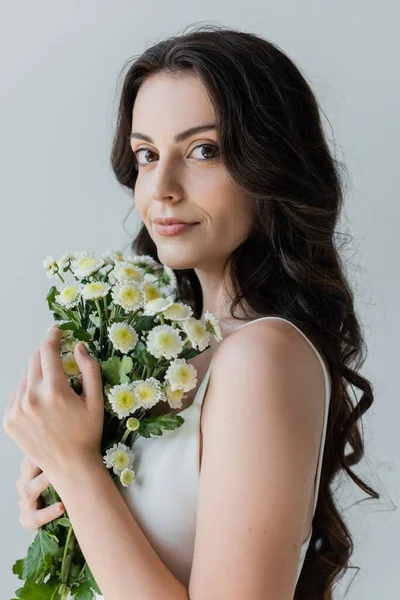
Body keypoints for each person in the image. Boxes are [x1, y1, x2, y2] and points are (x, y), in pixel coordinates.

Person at [17, 24, 379, 599]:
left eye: (203, 151)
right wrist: (67, 481)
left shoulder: (264, 354)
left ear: (270, 165)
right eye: (146, 154)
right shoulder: (170, 355)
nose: (160, 186)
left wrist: (77, 470)